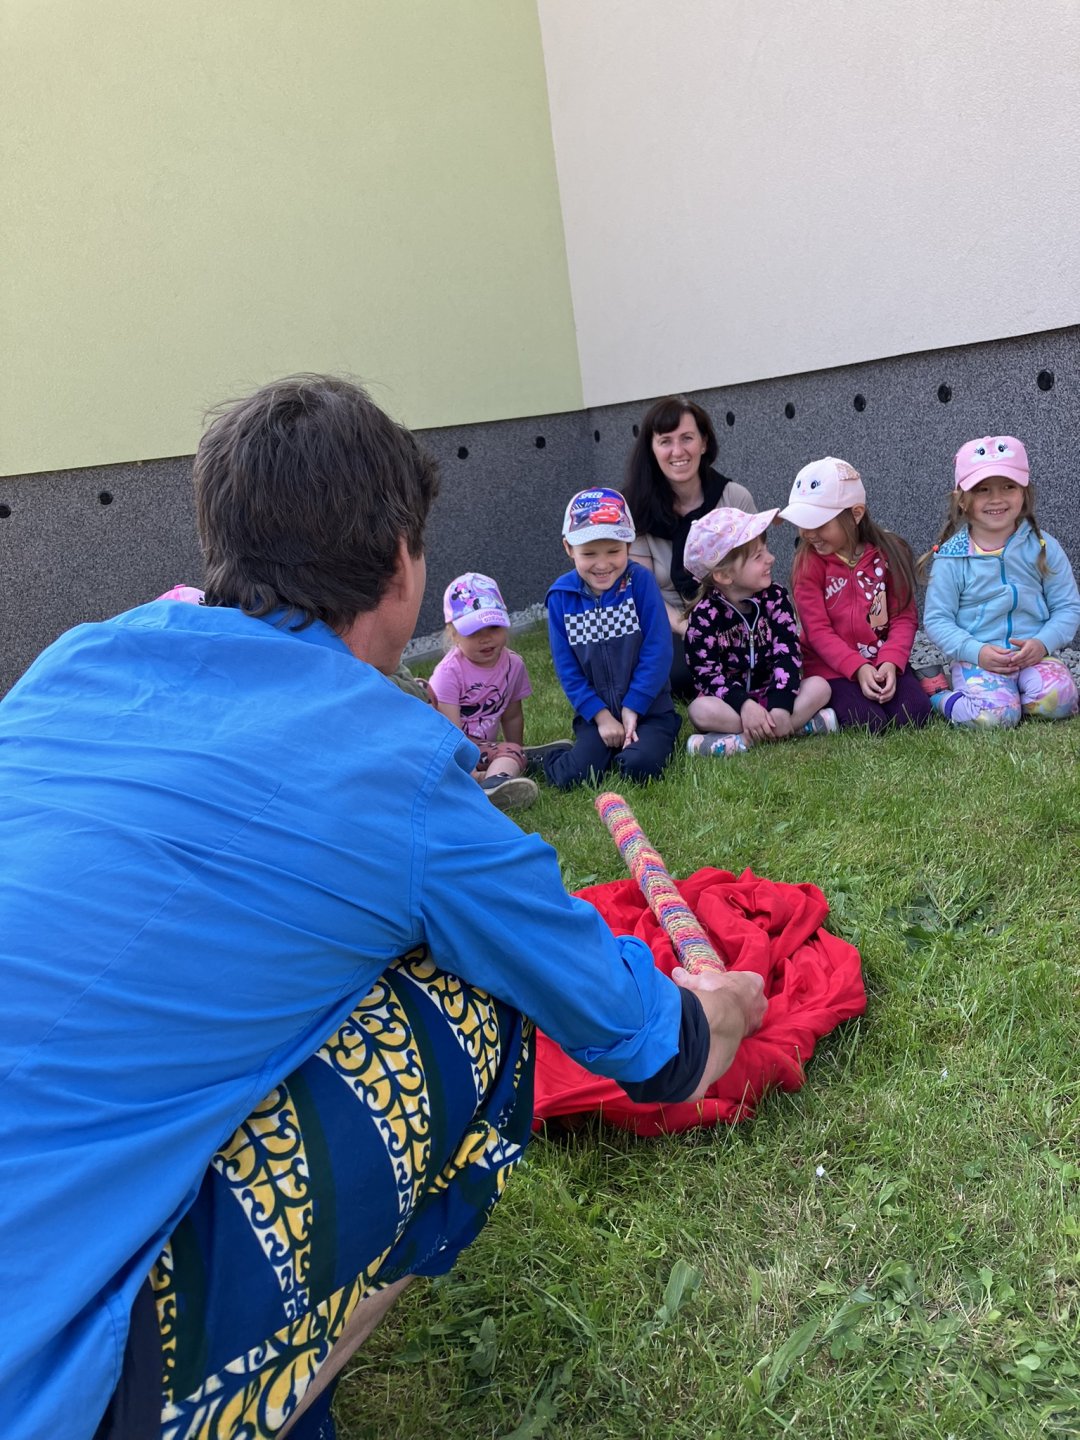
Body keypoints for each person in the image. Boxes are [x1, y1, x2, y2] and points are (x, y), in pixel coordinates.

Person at [0, 376, 766, 1440]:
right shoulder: (397, 765)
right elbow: (641, 1036)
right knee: (472, 990)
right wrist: (720, 1010)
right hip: (48, 1393)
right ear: (404, 563)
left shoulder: (74, 661)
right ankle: (241, 1398)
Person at [920, 436, 1080, 727]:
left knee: (1062, 700)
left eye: (1009, 486)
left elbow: (1068, 607)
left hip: (1033, 658)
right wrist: (976, 651)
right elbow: (937, 619)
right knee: (992, 719)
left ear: (1024, 493)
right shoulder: (953, 557)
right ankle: (940, 694)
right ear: (962, 499)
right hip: (978, 660)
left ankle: (1013, 696)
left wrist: (1042, 643)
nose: (997, 498)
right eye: (982, 489)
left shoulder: (1043, 547)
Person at [779, 457, 933, 732]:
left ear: (856, 514)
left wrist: (891, 662)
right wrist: (858, 667)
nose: (809, 534)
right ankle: (818, 715)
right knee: (869, 722)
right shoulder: (807, 563)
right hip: (830, 669)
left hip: (882, 660)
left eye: (819, 524)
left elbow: (903, 617)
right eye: (803, 523)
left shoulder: (889, 552)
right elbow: (817, 631)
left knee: (915, 713)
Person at [543, 487, 683, 789]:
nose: (603, 564)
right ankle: (545, 758)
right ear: (568, 548)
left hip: (650, 711)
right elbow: (567, 669)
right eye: (589, 554)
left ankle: (658, 736)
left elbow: (658, 650)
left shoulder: (640, 582)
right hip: (596, 716)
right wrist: (601, 716)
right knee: (576, 776)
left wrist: (634, 705)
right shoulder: (560, 597)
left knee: (641, 767)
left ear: (628, 545)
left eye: (614, 551)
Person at [622, 396, 756, 697]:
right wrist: (690, 628)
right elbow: (644, 592)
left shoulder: (735, 498)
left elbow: (752, 572)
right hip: (668, 622)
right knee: (678, 675)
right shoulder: (635, 508)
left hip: (732, 613)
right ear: (652, 449)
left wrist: (728, 625)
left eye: (687, 438)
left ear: (704, 443)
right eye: (665, 441)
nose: (678, 451)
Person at [681, 507, 836, 758]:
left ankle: (741, 741)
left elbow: (788, 654)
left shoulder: (776, 598)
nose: (771, 558)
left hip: (775, 693)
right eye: (758, 556)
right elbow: (706, 674)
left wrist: (781, 704)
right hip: (731, 705)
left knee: (820, 687)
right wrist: (744, 705)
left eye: (766, 550)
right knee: (700, 711)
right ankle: (797, 727)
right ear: (724, 575)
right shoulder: (704, 616)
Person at [428, 572, 538, 811]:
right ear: (453, 634)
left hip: (483, 749)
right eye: (474, 631)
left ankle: (496, 779)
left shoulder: (513, 665)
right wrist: (468, 770)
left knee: (511, 753)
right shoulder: (448, 673)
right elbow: (450, 735)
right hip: (447, 751)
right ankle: (487, 783)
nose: (486, 638)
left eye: (494, 627)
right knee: (505, 755)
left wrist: (516, 749)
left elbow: (512, 716)